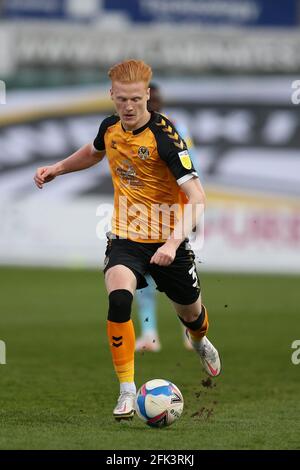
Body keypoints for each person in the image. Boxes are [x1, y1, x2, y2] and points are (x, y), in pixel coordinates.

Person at [34, 59, 221, 421]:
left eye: (136, 99)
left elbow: (197, 197)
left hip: (169, 240)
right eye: (122, 100)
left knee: (192, 315)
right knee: (119, 297)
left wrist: (170, 244)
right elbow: (93, 151)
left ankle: (199, 342)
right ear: (112, 97)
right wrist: (57, 168)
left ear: (147, 96)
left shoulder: (166, 139)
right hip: (125, 236)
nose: (129, 107)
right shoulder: (110, 128)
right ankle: (126, 391)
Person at [135, 83, 194, 352]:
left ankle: (189, 330)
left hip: (175, 214)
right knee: (143, 274)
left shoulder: (174, 128)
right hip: (141, 215)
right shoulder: (128, 131)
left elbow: (192, 168)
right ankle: (149, 335)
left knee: (178, 275)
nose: (153, 102)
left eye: (156, 97)